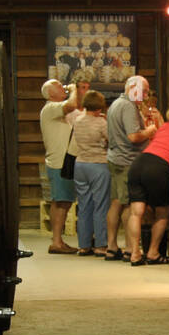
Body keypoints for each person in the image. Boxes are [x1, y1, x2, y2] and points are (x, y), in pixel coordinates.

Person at [126, 102, 169, 266]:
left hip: (138, 164)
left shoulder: (163, 127)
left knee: (136, 212)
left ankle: (135, 253)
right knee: (163, 212)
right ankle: (153, 252)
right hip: (158, 168)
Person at [105, 75, 158, 261]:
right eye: (143, 91)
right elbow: (134, 137)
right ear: (133, 88)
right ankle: (129, 249)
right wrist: (150, 131)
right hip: (127, 160)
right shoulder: (127, 106)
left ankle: (111, 246)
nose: (145, 95)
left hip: (115, 157)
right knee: (128, 205)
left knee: (116, 202)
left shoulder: (116, 104)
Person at [69, 90, 111, 256]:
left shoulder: (77, 120)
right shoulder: (101, 123)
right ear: (99, 107)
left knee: (84, 206)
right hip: (98, 164)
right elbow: (110, 139)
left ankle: (83, 245)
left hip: (80, 164)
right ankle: (101, 245)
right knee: (100, 205)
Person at [39, 77, 78, 253]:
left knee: (63, 201)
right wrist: (74, 89)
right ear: (50, 93)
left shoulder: (55, 110)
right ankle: (56, 241)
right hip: (59, 162)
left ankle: (58, 240)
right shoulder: (51, 108)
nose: (63, 88)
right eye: (58, 87)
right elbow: (72, 105)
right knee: (61, 201)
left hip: (63, 161)